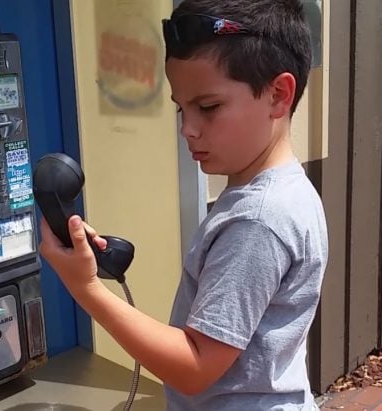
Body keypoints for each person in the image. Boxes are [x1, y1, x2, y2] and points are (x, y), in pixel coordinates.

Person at [39, 0, 328, 409]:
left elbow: (194, 367)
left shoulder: (258, 221)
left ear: (278, 95)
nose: (187, 129)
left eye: (208, 107)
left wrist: (84, 288)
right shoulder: (284, 191)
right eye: (181, 107)